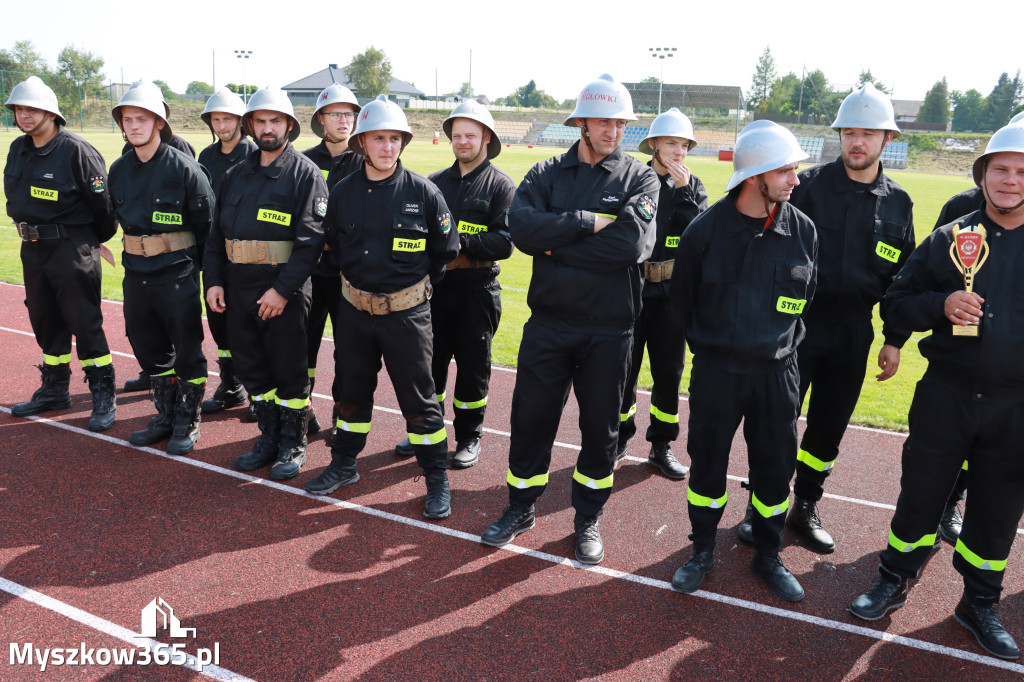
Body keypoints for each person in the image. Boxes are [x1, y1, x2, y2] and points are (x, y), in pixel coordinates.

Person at [848, 122, 1024, 660]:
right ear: (983, 175)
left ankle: (979, 603)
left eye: (1021, 172)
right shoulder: (950, 238)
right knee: (921, 494)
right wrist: (941, 305)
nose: (1011, 181)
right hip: (946, 393)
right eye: (1001, 169)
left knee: (998, 511)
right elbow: (896, 302)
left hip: (1016, 406)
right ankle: (893, 577)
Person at [478, 74, 659, 564]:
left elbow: (632, 245)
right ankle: (520, 507)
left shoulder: (640, 178)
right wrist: (583, 223)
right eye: (604, 120)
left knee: (600, 430)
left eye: (621, 122)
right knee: (530, 420)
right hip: (549, 324)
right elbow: (520, 229)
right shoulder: (546, 173)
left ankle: (587, 518)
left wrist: (555, 244)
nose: (614, 130)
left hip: (610, 330)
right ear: (580, 122)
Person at [735, 84, 915, 554]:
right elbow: (760, 247)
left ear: (887, 141)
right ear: (839, 136)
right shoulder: (806, 186)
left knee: (828, 428)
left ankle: (805, 506)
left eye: (868, 134)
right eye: (850, 133)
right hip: (795, 327)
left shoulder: (899, 203)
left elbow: (903, 279)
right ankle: (761, 507)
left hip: (854, 331)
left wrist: (894, 338)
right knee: (777, 421)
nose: (857, 142)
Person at [668, 121, 816, 601]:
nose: (795, 180)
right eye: (787, 171)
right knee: (707, 465)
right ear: (755, 177)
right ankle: (703, 550)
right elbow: (682, 304)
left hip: (778, 374)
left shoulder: (803, 230)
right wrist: (714, 348)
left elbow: (807, 297)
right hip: (718, 372)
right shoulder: (704, 232)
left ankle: (768, 555)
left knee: (775, 469)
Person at [304, 95, 459, 520]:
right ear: (362, 143)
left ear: (402, 143)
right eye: (378, 138)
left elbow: (444, 253)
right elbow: (331, 249)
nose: (387, 147)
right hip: (354, 313)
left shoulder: (425, 193)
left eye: (394, 138)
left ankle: (435, 478)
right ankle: (344, 465)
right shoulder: (343, 193)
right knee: (350, 394)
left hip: (408, 316)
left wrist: (407, 295)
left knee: (420, 400)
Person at [204, 86, 327, 480]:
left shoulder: (304, 174)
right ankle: (269, 436)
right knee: (252, 368)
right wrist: (214, 281)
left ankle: (293, 441)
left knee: (288, 369)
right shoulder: (235, 175)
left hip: (282, 291)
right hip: (238, 287)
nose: (268, 128)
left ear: (289, 125)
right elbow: (215, 237)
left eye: (276, 120)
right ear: (250, 125)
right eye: (261, 120)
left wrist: (281, 291)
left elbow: (311, 244)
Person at [393, 100, 515, 468]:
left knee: (474, 369)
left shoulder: (501, 186)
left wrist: (458, 243)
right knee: (430, 367)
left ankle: (469, 436)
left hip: (477, 291)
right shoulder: (434, 183)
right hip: (436, 290)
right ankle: (428, 431)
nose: (462, 141)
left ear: (486, 138)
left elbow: (505, 242)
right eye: (457, 135)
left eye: (470, 135)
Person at [4, 76, 117, 431]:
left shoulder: (77, 151)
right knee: (44, 319)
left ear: (51, 114)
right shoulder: (18, 149)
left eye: (31, 109)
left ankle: (102, 392)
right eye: (19, 109)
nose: (24, 115)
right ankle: (55, 388)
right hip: (32, 248)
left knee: (84, 322)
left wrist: (86, 242)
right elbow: (13, 196)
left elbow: (104, 208)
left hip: (71, 248)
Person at [108, 81, 215, 455]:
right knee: (145, 342)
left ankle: (188, 419)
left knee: (187, 346)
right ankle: (165, 414)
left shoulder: (186, 170)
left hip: (177, 273)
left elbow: (208, 231)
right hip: (136, 273)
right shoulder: (119, 169)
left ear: (158, 122)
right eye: (127, 119)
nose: (133, 126)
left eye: (141, 119)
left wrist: (204, 277)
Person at [616, 107, 707, 479]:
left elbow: (699, 236)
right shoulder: (635, 179)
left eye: (684, 145)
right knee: (624, 370)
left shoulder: (694, 186)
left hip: (671, 294)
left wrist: (683, 192)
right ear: (653, 144)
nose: (679, 152)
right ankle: (618, 438)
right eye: (671, 143)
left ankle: (661, 445)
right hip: (633, 290)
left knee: (669, 372)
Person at [302, 82, 363, 439]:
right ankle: (303, 412)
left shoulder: (365, 162)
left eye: (349, 114)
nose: (343, 120)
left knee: (349, 351)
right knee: (302, 347)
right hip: (309, 274)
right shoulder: (304, 161)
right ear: (321, 119)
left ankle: (343, 412)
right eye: (335, 114)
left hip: (349, 276)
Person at [197, 87, 258, 418]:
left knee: (249, 324)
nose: (222, 125)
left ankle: (257, 392)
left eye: (228, 119)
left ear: (240, 121)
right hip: (214, 250)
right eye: (216, 119)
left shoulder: (254, 155)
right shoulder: (206, 157)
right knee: (219, 322)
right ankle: (230, 386)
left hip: (246, 253)